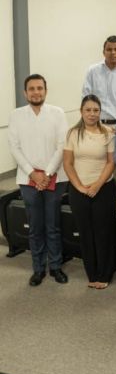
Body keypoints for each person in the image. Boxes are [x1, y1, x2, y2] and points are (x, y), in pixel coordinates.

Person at [9, 74, 69, 286]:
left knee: (53, 225)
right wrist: (33, 173)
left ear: (46, 90)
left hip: (55, 177)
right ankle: (38, 269)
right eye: (32, 89)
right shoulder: (16, 115)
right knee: (35, 227)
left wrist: (48, 173)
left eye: (39, 88)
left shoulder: (57, 113)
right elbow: (14, 147)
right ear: (25, 92)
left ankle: (55, 266)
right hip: (28, 179)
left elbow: (62, 145)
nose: (36, 92)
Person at [63, 95, 116, 289]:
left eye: (96, 110)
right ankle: (92, 274)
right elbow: (68, 163)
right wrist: (79, 187)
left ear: (100, 112)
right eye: (88, 110)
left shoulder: (108, 133)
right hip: (79, 190)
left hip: (104, 189)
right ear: (81, 111)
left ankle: (104, 274)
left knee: (103, 233)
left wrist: (97, 185)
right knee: (85, 233)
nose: (92, 114)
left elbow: (111, 162)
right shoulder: (72, 134)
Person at [82, 36, 116, 125]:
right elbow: (85, 99)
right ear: (103, 52)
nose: (113, 52)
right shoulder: (92, 72)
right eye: (109, 49)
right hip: (96, 125)